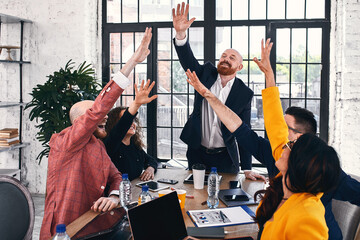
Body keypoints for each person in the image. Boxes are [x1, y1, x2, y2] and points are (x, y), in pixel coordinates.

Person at [185, 37, 360, 239]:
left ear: (300, 142)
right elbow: (247, 124)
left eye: (288, 142)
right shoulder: (280, 152)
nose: (279, 142)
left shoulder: (309, 206)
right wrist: (208, 94)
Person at [39, 28, 152, 240]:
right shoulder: (66, 141)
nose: (105, 117)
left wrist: (114, 196)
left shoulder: (97, 145)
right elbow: (99, 108)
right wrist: (134, 61)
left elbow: (116, 176)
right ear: (79, 123)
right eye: (95, 115)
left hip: (95, 224)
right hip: (65, 231)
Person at [172, 2, 255, 176]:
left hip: (225, 157)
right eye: (224, 55)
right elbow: (188, 60)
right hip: (197, 153)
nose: (226, 59)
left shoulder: (244, 93)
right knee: (195, 196)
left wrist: (247, 168)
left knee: (225, 200)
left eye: (232, 58)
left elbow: (244, 130)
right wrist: (180, 33)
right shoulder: (205, 74)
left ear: (239, 67)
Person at [104, 80, 158, 181]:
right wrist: (136, 104)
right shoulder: (111, 145)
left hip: (136, 190)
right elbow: (121, 127)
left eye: (133, 121)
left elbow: (151, 160)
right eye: (128, 121)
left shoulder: (134, 145)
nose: (132, 123)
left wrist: (150, 168)